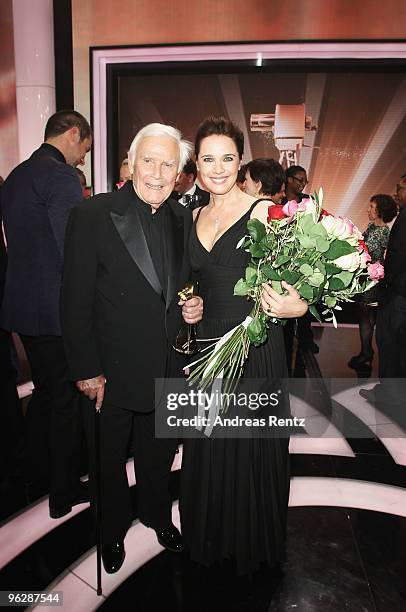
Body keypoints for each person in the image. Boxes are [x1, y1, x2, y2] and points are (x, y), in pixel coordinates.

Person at [60, 123, 203, 574]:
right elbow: (74, 299)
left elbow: (180, 286)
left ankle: (157, 516)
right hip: (112, 371)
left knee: (159, 452)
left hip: (168, 366)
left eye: (168, 164)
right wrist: (86, 369)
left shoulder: (183, 217)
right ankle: (110, 530)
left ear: (180, 173)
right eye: (149, 161)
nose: (158, 173)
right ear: (131, 162)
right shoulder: (94, 214)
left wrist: (195, 304)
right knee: (106, 461)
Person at [179, 117, 308, 575]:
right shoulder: (192, 215)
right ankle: (210, 535)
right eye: (208, 158)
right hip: (207, 346)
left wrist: (299, 305)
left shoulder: (262, 212)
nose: (217, 168)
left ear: (240, 162)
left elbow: (301, 277)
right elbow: (195, 283)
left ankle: (252, 540)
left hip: (254, 344)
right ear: (196, 162)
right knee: (209, 443)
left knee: (252, 444)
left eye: (227, 158)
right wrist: (191, 304)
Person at [0, 110, 92, 517]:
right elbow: (73, 249)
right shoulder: (60, 178)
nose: (82, 160)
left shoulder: (17, 175)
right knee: (65, 401)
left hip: (22, 307)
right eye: (83, 150)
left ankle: (31, 474)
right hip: (54, 311)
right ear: (73, 134)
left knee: (45, 394)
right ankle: (63, 492)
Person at [360, 175, 406, 408]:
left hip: (397, 294)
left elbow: (396, 256)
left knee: (390, 343)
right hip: (395, 292)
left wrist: (388, 283)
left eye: (400, 187)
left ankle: (390, 396)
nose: (396, 191)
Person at [348, 195, 397, 370]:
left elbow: (373, 255)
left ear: (380, 211)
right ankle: (366, 352)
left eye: (372, 207)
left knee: (367, 317)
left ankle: (366, 353)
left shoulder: (383, 232)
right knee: (365, 317)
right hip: (365, 278)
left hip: (372, 280)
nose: (368, 209)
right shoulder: (372, 227)